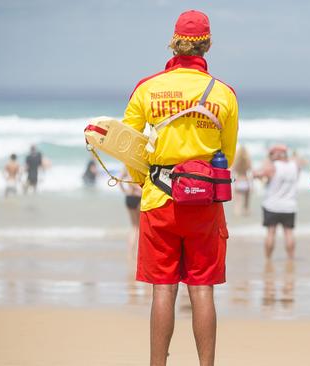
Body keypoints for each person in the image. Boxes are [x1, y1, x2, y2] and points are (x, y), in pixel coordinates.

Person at [121, 10, 238, 366]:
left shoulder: (148, 87)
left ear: (174, 40)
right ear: (207, 45)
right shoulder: (223, 93)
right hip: (204, 201)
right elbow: (227, 155)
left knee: (164, 289)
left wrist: (144, 180)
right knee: (202, 290)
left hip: (159, 199)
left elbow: (129, 144)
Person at [253, 144, 301, 260]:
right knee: (289, 233)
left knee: (271, 233)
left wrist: (267, 160)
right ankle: (291, 257)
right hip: (289, 205)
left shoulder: (272, 167)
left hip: (272, 205)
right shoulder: (294, 166)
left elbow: (256, 174)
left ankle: (268, 258)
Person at [119, 169, 142, 259]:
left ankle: (129, 252)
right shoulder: (137, 165)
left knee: (133, 227)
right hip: (138, 196)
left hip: (129, 197)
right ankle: (136, 252)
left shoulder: (126, 166)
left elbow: (119, 181)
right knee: (139, 227)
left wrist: (125, 191)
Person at [232, 145, 252, 216]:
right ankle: (246, 210)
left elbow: (233, 170)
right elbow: (250, 170)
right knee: (247, 198)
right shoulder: (247, 160)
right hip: (246, 181)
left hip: (238, 181)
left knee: (238, 199)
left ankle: (237, 211)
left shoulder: (236, 160)